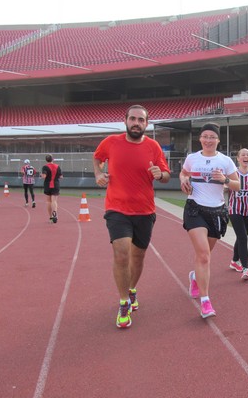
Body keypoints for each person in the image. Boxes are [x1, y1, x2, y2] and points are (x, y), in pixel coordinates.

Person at [93, 104, 171, 329]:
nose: (136, 123)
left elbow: (165, 175)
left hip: (145, 211)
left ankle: (132, 289)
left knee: (138, 256)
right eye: (133, 119)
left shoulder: (153, 147)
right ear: (125, 120)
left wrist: (160, 174)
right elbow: (97, 158)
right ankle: (123, 302)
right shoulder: (111, 142)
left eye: (141, 120)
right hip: (117, 209)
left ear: (146, 124)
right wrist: (99, 173)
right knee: (121, 254)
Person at [180, 122, 240, 318]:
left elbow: (237, 185)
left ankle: (194, 277)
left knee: (204, 255)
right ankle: (206, 302)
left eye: (212, 137)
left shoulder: (225, 161)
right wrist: (183, 180)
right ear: (200, 139)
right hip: (195, 209)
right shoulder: (192, 158)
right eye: (205, 136)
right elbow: (184, 173)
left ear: (218, 140)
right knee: (204, 255)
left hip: (216, 213)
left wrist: (224, 180)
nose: (208, 140)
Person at [228, 148, 248, 281]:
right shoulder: (232, 173)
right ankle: (246, 268)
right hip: (234, 209)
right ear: (238, 158)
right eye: (243, 155)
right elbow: (225, 187)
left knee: (242, 236)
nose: (245, 157)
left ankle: (234, 261)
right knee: (243, 238)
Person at [41, 154, 63, 223]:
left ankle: (50, 217)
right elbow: (61, 177)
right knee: (54, 201)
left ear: (46, 160)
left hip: (47, 185)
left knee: (48, 201)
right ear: (52, 159)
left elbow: (44, 176)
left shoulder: (45, 167)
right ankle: (55, 214)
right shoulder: (57, 166)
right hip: (55, 185)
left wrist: (41, 175)